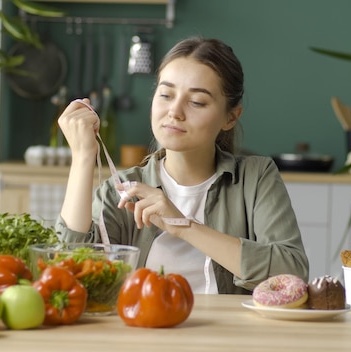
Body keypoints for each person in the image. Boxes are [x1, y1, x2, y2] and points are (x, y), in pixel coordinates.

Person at [54, 37, 308, 294]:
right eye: (166, 95)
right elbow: (69, 277)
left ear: (230, 117)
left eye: (197, 102)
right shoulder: (120, 191)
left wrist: (182, 224)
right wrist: (83, 156)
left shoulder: (256, 178)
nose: (174, 111)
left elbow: (291, 273)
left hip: (232, 334)